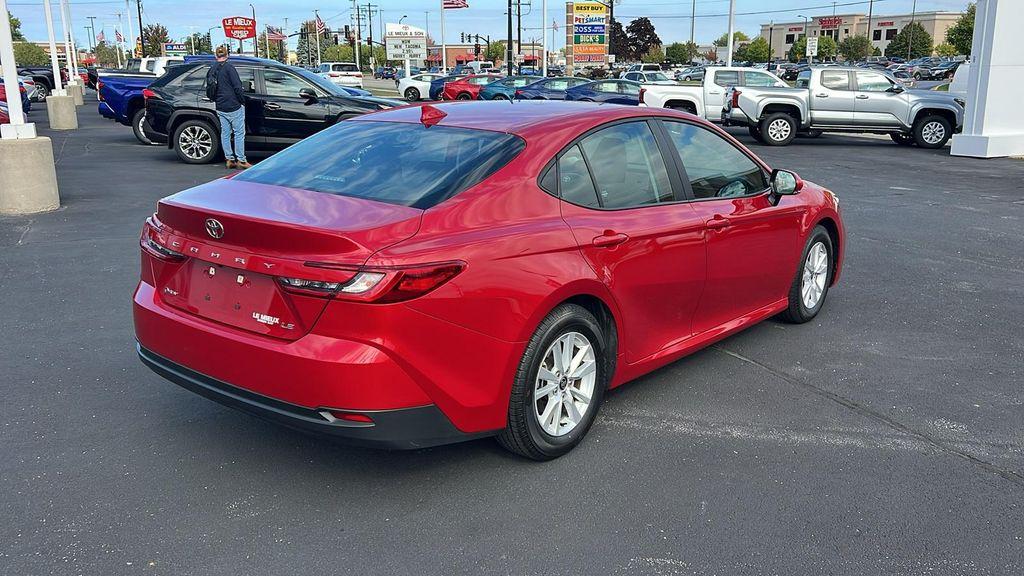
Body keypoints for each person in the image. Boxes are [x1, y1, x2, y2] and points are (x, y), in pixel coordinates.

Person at [206, 46, 250, 169]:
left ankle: (229, 159)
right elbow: (237, 87)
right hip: (233, 105)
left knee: (225, 133)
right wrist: (242, 102)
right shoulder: (229, 68)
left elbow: (210, 88)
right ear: (227, 55)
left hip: (220, 106)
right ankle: (241, 160)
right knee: (239, 133)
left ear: (216, 56)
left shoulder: (212, 69)